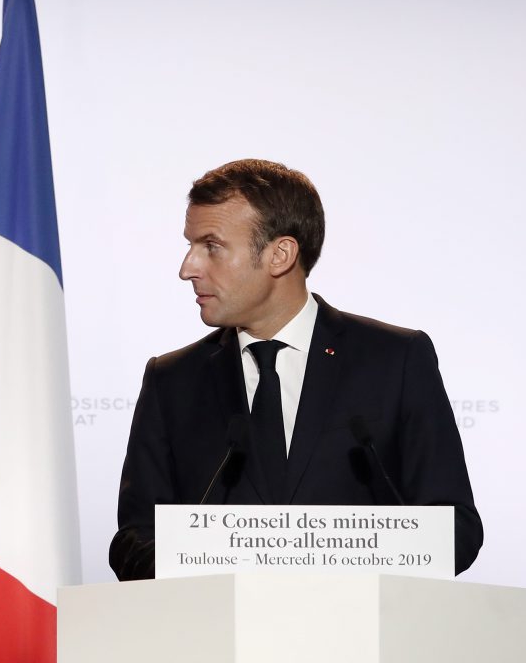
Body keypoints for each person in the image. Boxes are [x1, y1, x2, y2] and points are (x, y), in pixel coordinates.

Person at [109, 159, 481, 580]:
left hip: (361, 635)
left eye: (211, 246)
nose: (187, 268)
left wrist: (326, 561)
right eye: (191, 245)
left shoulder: (395, 360)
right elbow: (134, 541)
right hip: (216, 638)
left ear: (280, 254)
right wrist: (224, 563)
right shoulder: (171, 380)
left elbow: (455, 527)